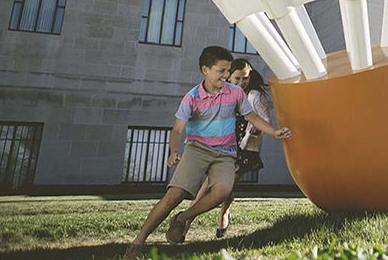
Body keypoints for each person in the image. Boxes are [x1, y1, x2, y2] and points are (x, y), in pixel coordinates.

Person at [124, 47, 291, 260]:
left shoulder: (235, 93)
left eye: (228, 70)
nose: (226, 75)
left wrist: (274, 132)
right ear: (205, 70)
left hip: (226, 153)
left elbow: (253, 118)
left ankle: (182, 218)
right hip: (198, 149)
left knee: (222, 192)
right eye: (221, 71)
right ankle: (137, 244)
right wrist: (174, 151)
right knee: (174, 195)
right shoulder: (192, 97)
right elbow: (177, 130)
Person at [187, 59, 270, 238]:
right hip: (225, 145)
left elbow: (265, 120)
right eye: (237, 78)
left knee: (225, 186)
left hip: (244, 149)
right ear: (229, 77)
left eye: (245, 78)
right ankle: (187, 221)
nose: (242, 82)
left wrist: (256, 129)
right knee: (210, 184)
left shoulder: (254, 96)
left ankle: (216, 215)